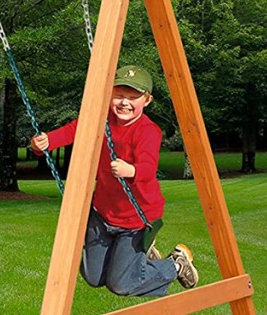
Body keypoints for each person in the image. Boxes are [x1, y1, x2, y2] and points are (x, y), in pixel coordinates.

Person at [30, 65, 198, 297]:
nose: (124, 103)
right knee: (93, 277)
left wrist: (131, 170)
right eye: (119, 95)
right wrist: (45, 142)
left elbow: (148, 168)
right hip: (103, 212)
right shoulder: (101, 120)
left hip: (136, 218)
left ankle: (175, 264)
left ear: (147, 100)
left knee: (121, 285)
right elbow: (72, 131)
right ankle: (137, 262)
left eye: (132, 97)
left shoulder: (148, 131)